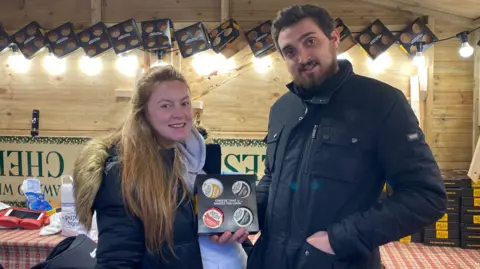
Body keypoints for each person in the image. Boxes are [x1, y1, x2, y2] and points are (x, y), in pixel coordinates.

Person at [247, 4, 447, 269]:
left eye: (310, 41)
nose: (302, 57)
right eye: (290, 51)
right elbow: (272, 178)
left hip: (336, 261)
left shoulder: (381, 102)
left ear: (334, 39)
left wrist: (338, 239)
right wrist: (243, 216)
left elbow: (426, 196)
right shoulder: (282, 109)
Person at [72, 65, 249, 269]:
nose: (179, 113)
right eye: (166, 105)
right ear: (144, 112)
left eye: (184, 103)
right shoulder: (123, 172)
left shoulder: (200, 158)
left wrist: (234, 234)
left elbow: (214, 230)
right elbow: (117, 260)